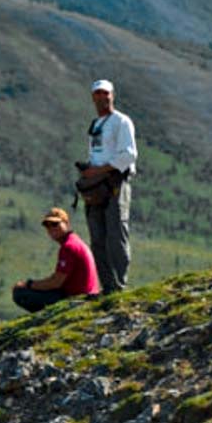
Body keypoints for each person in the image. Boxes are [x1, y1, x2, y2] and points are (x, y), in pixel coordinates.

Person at [78, 78, 137, 292]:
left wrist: (100, 170)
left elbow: (129, 155)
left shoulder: (121, 121)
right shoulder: (96, 124)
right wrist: (88, 172)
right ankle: (107, 286)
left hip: (115, 183)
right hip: (96, 186)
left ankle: (120, 283)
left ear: (112, 95)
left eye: (106, 93)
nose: (102, 97)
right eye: (98, 94)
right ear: (93, 97)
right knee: (97, 237)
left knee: (116, 233)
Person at [13, 207, 100, 312]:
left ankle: (46, 317)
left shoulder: (69, 247)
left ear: (66, 224)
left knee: (20, 293)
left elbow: (56, 282)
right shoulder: (75, 242)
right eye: (47, 225)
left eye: (55, 224)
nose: (51, 228)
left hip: (77, 298)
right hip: (85, 293)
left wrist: (29, 284)